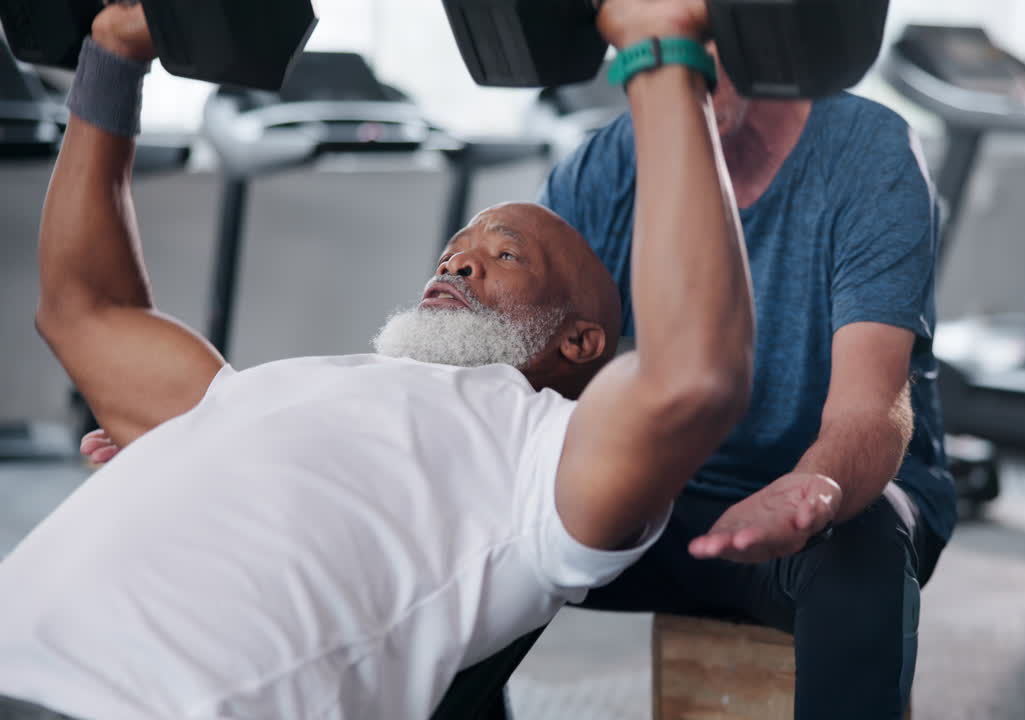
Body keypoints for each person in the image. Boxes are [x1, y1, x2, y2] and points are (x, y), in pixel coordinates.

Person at [0, 0, 760, 717]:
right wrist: (112, 55)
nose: (456, 267)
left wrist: (660, 50)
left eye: (505, 255)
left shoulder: (543, 459)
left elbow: (689, 376)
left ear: (580, 343)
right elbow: (85, 309)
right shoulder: (264, 390)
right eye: (452, 253)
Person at [540, 35, 953, 720]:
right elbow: (532, 377)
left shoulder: (867, 150)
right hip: (660, 502)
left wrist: (815, 486)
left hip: (832, 500)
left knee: (864, 551)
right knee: (455, 529)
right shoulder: (603, 168)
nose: (688, 64)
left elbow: (873, 408)